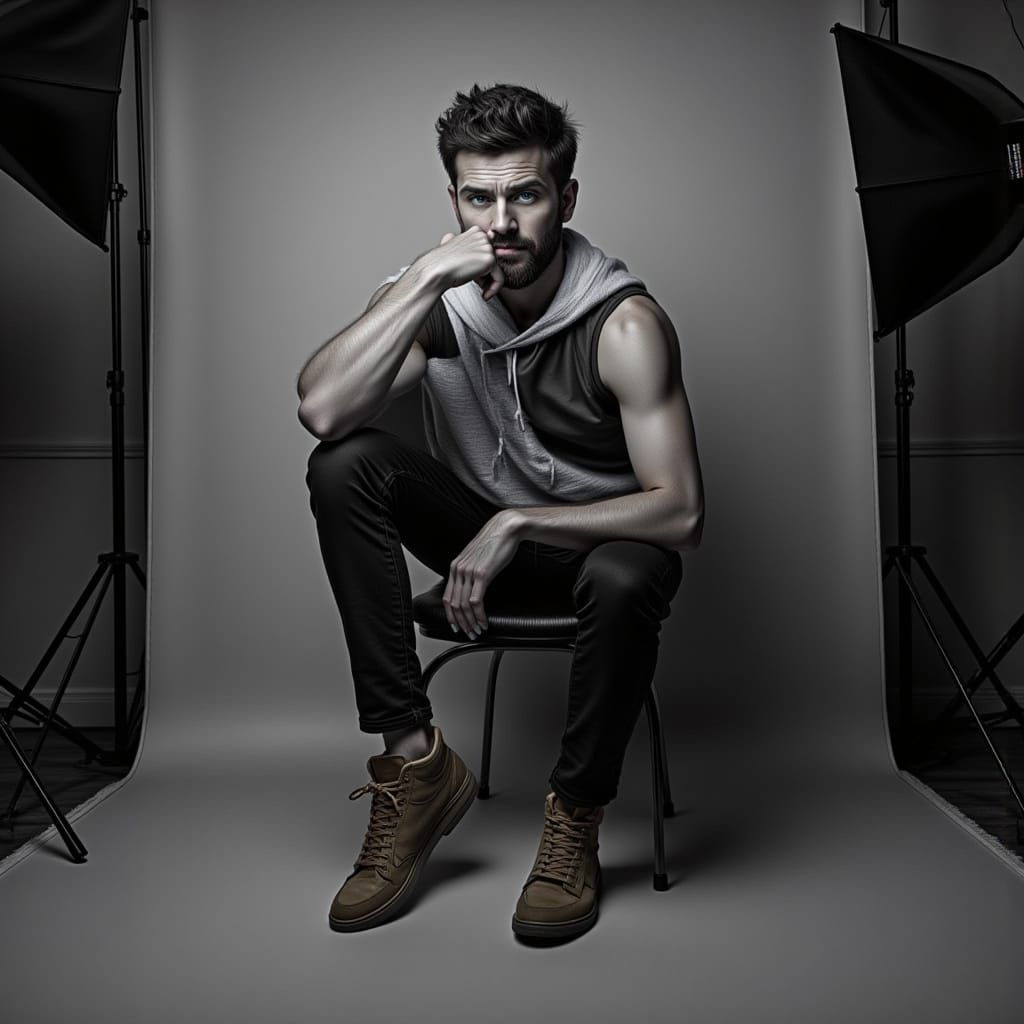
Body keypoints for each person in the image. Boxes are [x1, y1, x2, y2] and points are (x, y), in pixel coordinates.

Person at [296, 82, 703, 941]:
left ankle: (576, 819)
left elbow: (680, 513)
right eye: (478, 199)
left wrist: (517, 522)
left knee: (625, 574)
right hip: (479, 547)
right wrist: (423, 277)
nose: (502, 222)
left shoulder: (624, 325)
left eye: (526, 195)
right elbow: (325, 411)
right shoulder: (439, 305)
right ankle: (416, 769)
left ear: (567, 199)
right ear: (453, 201)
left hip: (600, 553)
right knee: (344, 465)